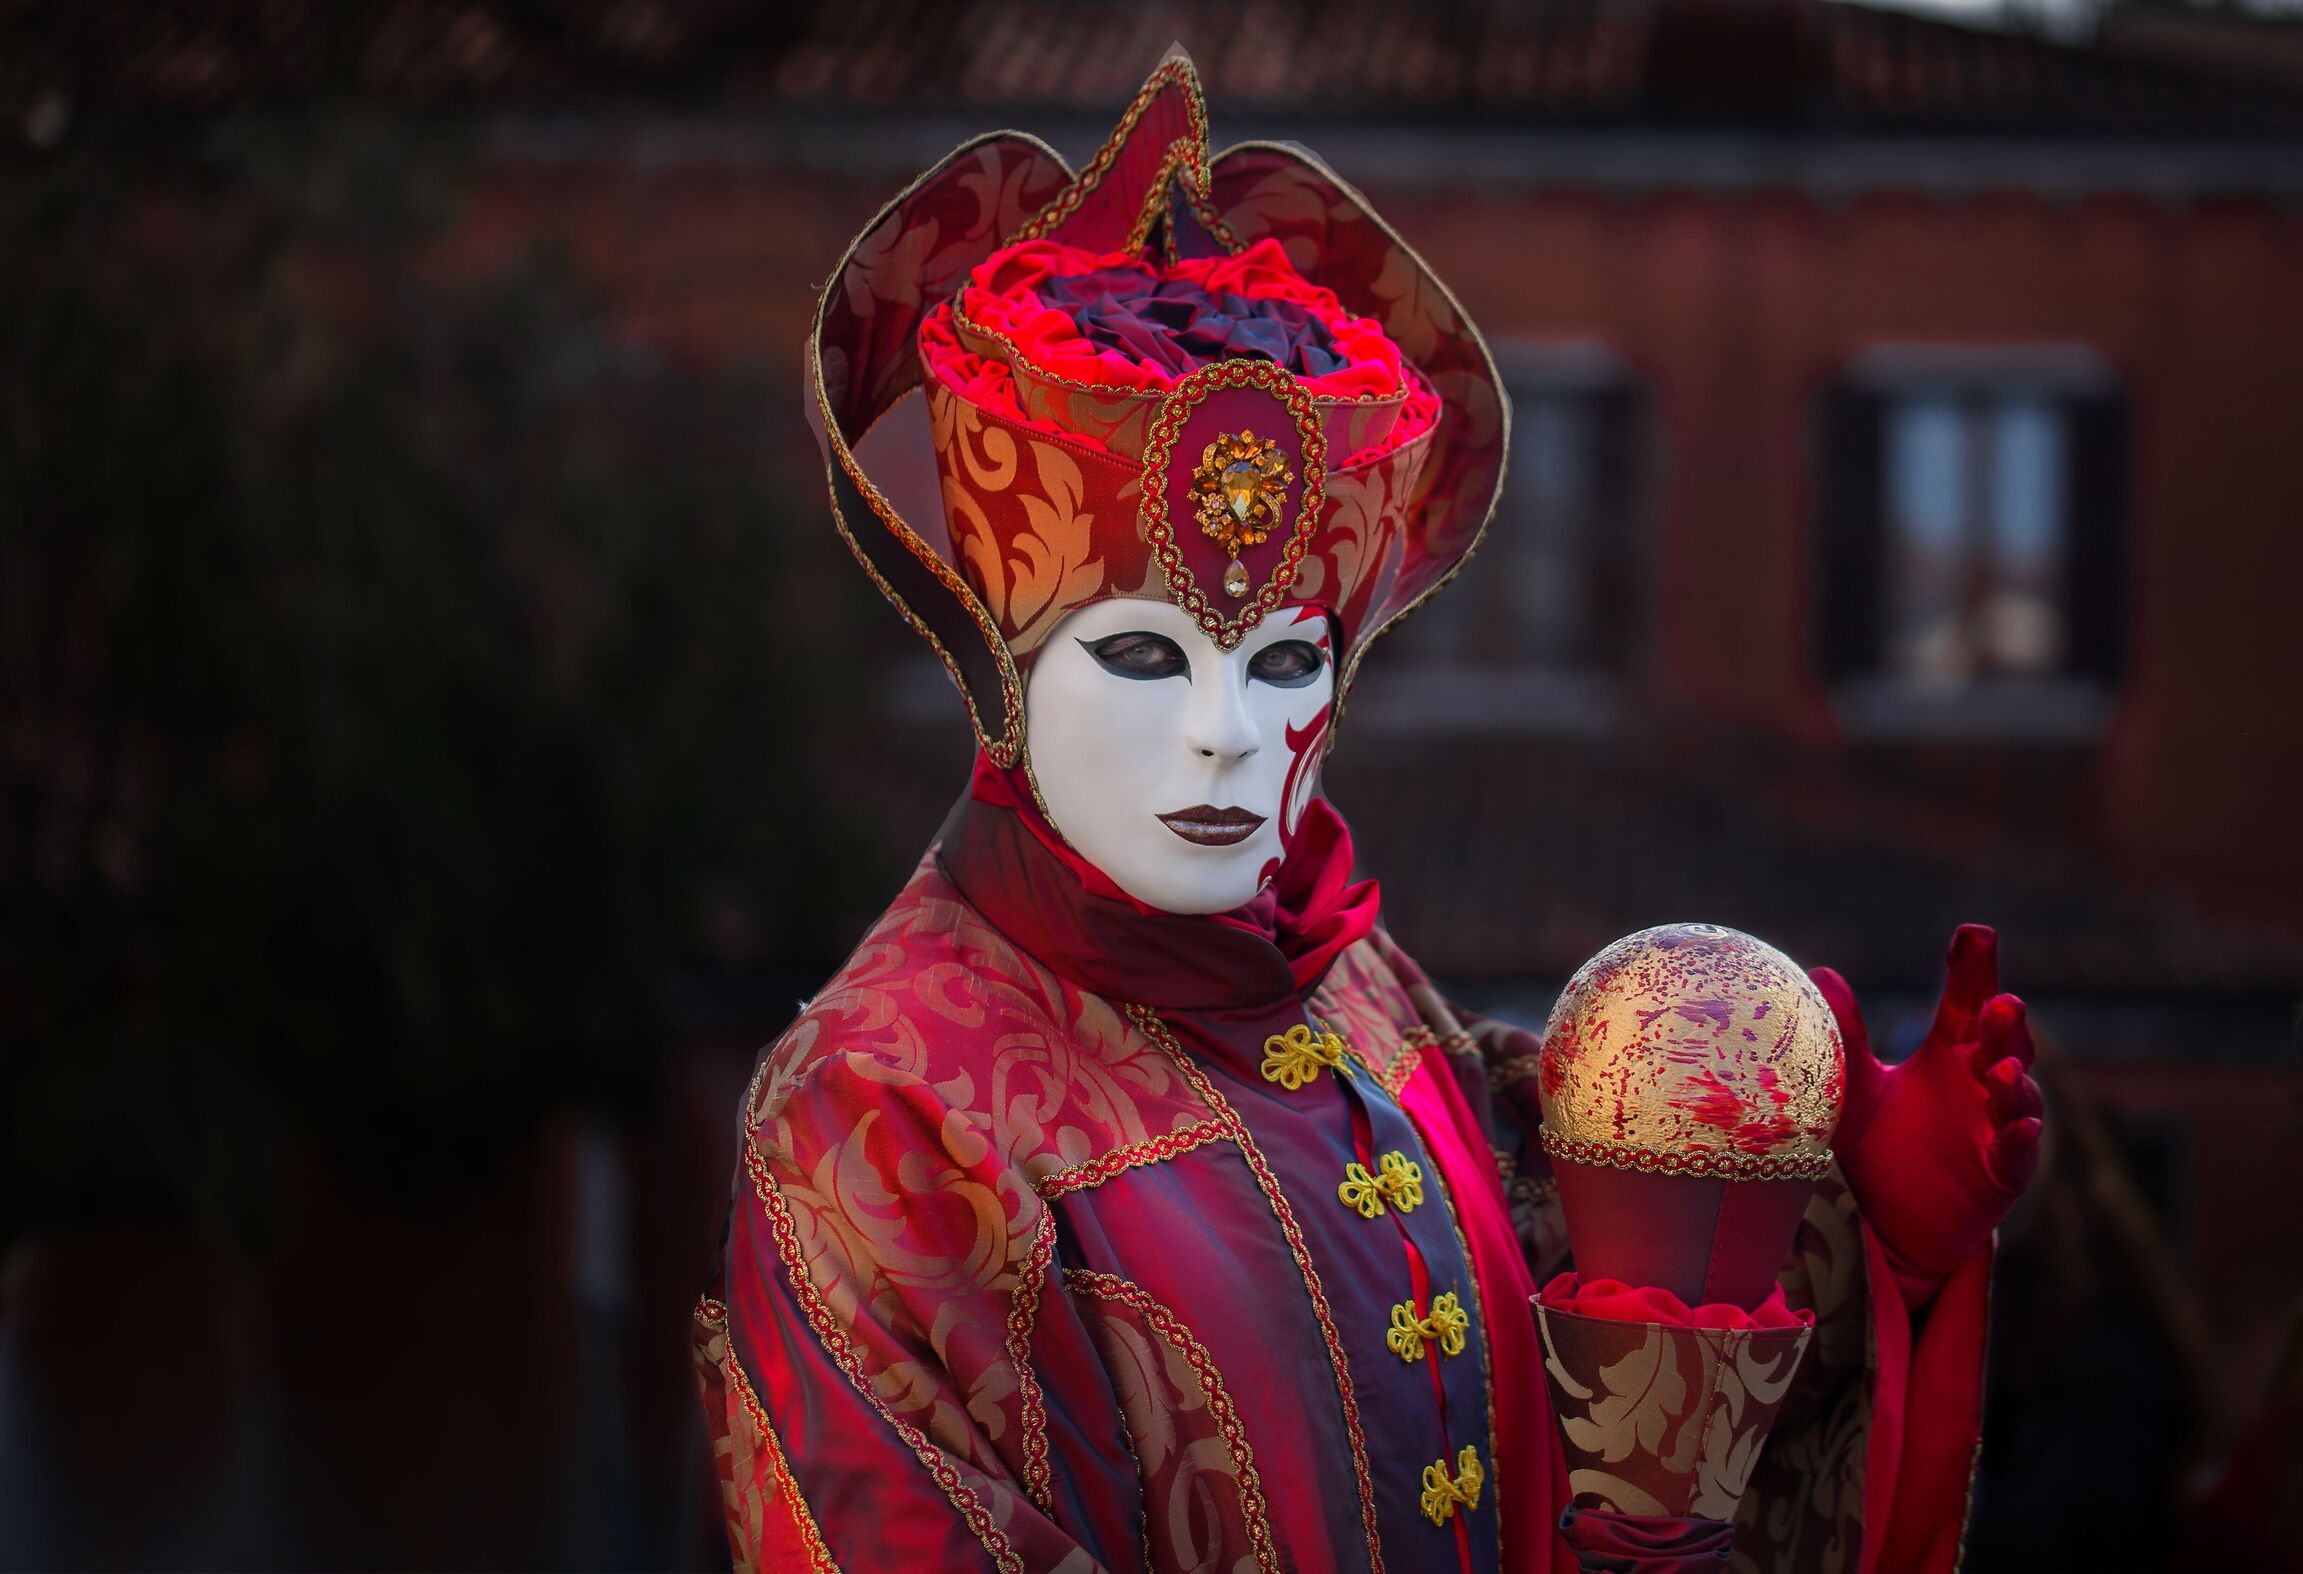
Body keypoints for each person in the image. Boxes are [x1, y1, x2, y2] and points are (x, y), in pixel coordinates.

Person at [694, 50, 2043, 1573]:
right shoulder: (880, 1114)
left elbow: (1599, 1374)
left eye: (1284, 664)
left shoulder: (1352, 992)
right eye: (1143, 654)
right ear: (1004, 674)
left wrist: (1853, 1224)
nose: (1226, 737)